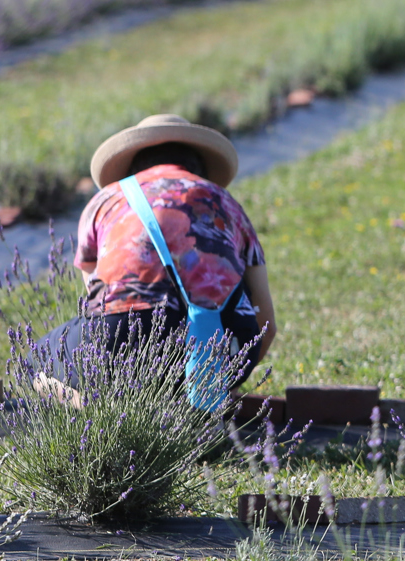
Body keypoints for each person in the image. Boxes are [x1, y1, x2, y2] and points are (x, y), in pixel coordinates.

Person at [33, 114, 276, 396]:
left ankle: (95, 406)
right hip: (221, 341)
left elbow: (98, 301)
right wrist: (225, 384)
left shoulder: (104, 201)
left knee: (35, 361)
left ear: (134, 163)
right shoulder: (228, 203)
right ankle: (198, 407)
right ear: (197, 165)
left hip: (124, 339)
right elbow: (266, 324)